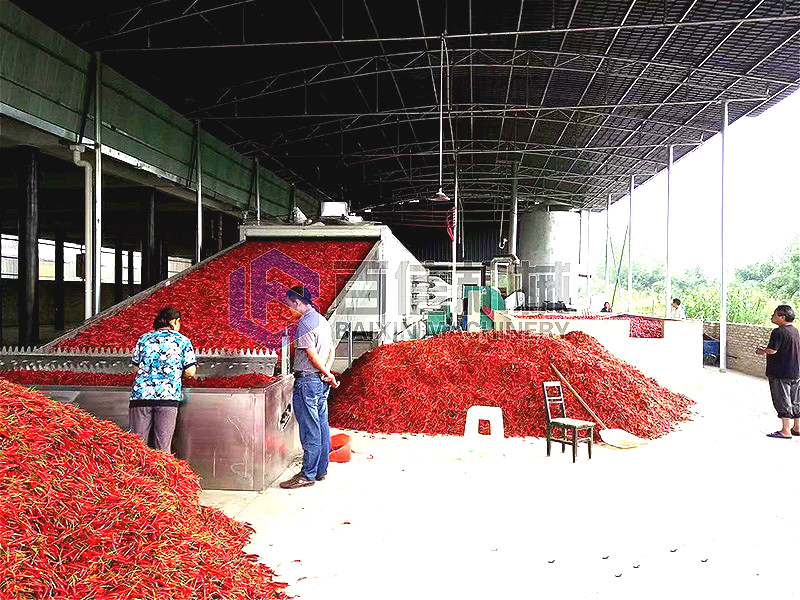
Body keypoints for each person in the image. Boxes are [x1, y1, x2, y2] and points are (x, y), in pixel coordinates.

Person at [280, 285, 339, 489]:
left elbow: (312, 355)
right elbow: (331, 349)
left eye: (289, 305)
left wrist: (325, 372)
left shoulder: (305, 323)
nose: (289, 309)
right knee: (321, 425)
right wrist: (327, 372)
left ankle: (307, 474)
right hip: (320, 382)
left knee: (310, 429)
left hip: (308, 381)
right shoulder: (322, 320)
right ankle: (320, 469)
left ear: (297, 302)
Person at [129, 306, 196, 452]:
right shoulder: (183, 341)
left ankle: (136, 474)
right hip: (168, 397)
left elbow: (135, 368)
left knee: (137, 447)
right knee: (162, 447)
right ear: (175, 322)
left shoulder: (143, 338)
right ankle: (161, 475)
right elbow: (190, 372)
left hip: (140, 396)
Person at [756, 305, 800, 439]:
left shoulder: (778, 332)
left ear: (782, 317)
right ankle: (797, 427)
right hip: (796, 371)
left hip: (781, 372)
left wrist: (762, 351)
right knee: (795, 399)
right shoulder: (795, 330)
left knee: (783, 399)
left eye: (775, 314)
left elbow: (772, 350)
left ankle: (785, 430)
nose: (772, 316)